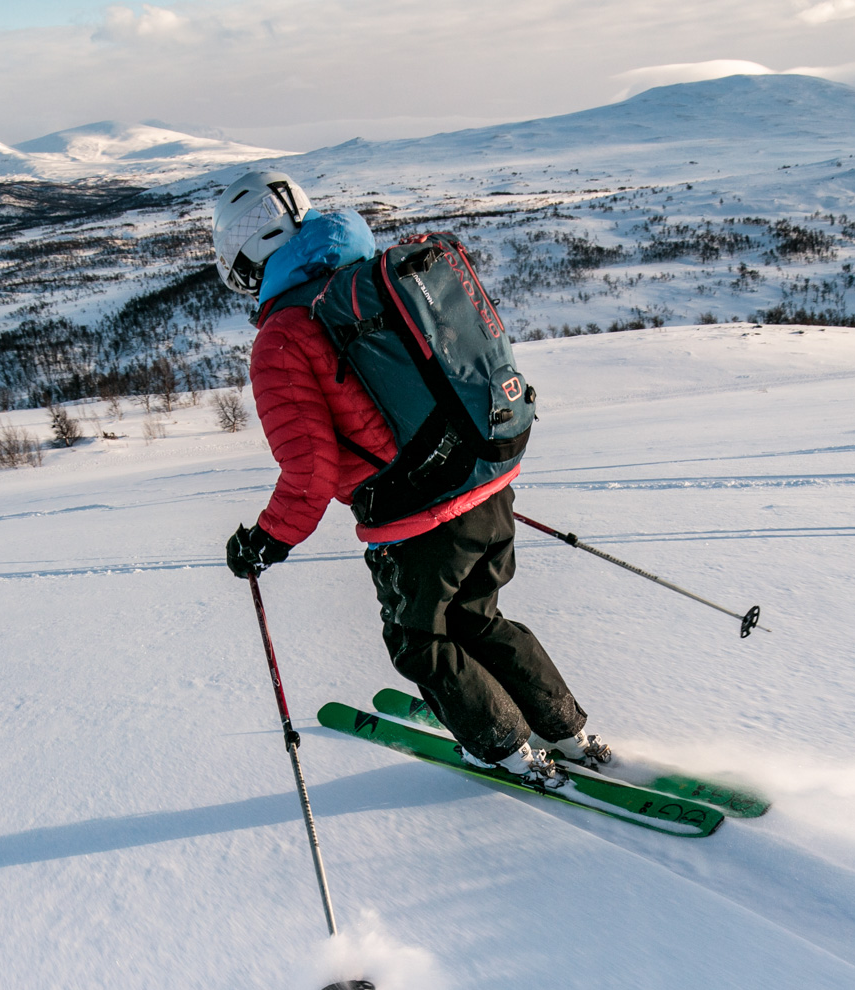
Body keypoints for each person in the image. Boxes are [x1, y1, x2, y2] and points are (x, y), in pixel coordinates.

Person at [215, 170, 610, 790]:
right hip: (485, 477)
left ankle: (507, 747)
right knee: (478, 619)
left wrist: (266, 540)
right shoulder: (372, 277)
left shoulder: (283, 336)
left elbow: (310, 469)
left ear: (249, 251)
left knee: (417, 639)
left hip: (415, 513)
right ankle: (568, 732)